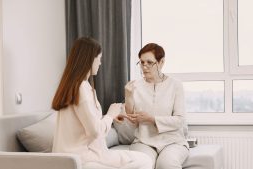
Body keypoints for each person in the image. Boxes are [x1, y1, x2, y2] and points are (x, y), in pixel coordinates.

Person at [51, 37, 152, 169]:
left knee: (141, 159)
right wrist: (110, 115)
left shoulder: (71, 86)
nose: (100, 63)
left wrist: (109, 118)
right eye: (99, 58)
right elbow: (94, 132)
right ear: (90, 59)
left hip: (72, 158)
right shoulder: (81, 88)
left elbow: (86, 123)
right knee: (145, 160)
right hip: (84, 158)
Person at [125, 43, 189, 169]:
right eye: (142, 62)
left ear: (161, 62)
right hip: (143, 141)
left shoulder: (175, 85)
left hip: (172, 142)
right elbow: (132, 121)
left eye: (149, 62)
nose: (144, 67)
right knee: (142, 164)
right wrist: (128, 96)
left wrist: (152, 119)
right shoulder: (135, 86)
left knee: (166, 164)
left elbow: (180, 120)